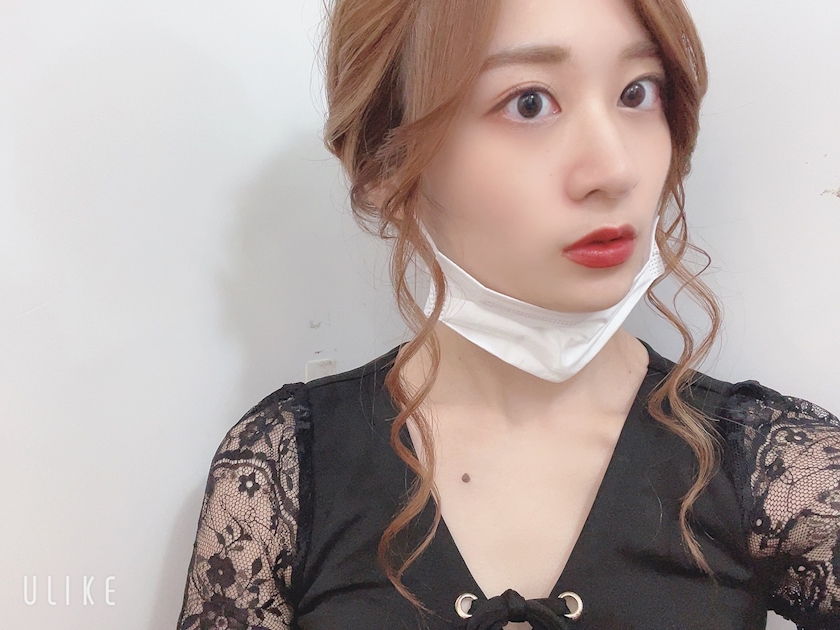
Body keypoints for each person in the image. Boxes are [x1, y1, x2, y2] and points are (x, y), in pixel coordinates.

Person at [176, 0, 840, 628]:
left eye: (637, 92)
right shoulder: (285, 474)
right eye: (530, 103)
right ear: (386, 165)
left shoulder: (777, 470)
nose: (615, 170)